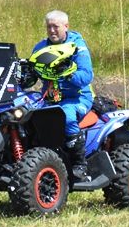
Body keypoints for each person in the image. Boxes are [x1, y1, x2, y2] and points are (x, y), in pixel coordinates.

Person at [30, 10, 94, 182]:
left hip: (77, 98)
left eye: (55, 27)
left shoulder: (78, 47)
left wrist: (67, 74)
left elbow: (87, 76)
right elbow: (31, 75)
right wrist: (24, 74)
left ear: (66, 27)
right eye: (48, 27)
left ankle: (80, 165)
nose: (51, 30)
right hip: (49, 98)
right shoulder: (40, 48)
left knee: (65, 117)